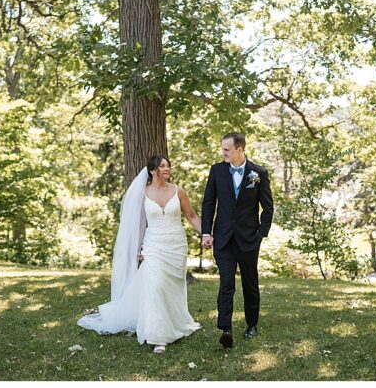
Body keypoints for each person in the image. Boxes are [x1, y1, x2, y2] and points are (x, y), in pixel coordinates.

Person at [78, 155, 202, 354]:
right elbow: (139, 225)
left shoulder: (179, 192)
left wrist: (205, 234)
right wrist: (137, 249)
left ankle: (175, 322)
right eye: (162, 166)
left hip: (176, 245)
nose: (167, 168)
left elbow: (192, 216)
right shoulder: (143, 194)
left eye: (168, 165)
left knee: (172, 287)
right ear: (153, 171)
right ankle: (158, 336)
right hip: (153, 245)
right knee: (155, 286)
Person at [200, 132, 274, 349]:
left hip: (249, 239)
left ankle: (252, 324)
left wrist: (261, 234)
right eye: (223, 149)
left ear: (239, 149)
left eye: (227, 149)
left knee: (250, 283)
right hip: (223, 238)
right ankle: (226, 329)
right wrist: (206, 232)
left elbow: (268, 207)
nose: (223, 153)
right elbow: (208, 203)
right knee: (226, 283)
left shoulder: (257, 173)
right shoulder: (217, 170)